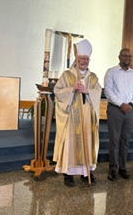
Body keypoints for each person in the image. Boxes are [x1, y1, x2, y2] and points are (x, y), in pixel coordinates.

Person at [53, 39, 102, 187]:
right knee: (71, 145)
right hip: (72, 119)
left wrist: (87, 91)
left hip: (87, 118)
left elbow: (98, 92)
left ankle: (87, 172)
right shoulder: (67, 75)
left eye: (87, 59)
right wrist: (72, 89)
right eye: (82, 58)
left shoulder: (93, 77)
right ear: (77, 59)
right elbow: (57, 91)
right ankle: (68, 175)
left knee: (88, 143)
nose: (84, 61)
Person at [104, 48, 133, 181]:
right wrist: (121, 104)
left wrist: (131, 104)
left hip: (129, 111)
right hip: (116, 109)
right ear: (119, 57)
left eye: (130, 56)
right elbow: (108, 90)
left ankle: (122, 168)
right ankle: (113, 168)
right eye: (125, 56)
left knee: (125, 140)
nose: (127, 58)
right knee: (114, 140)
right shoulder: (111, 72)